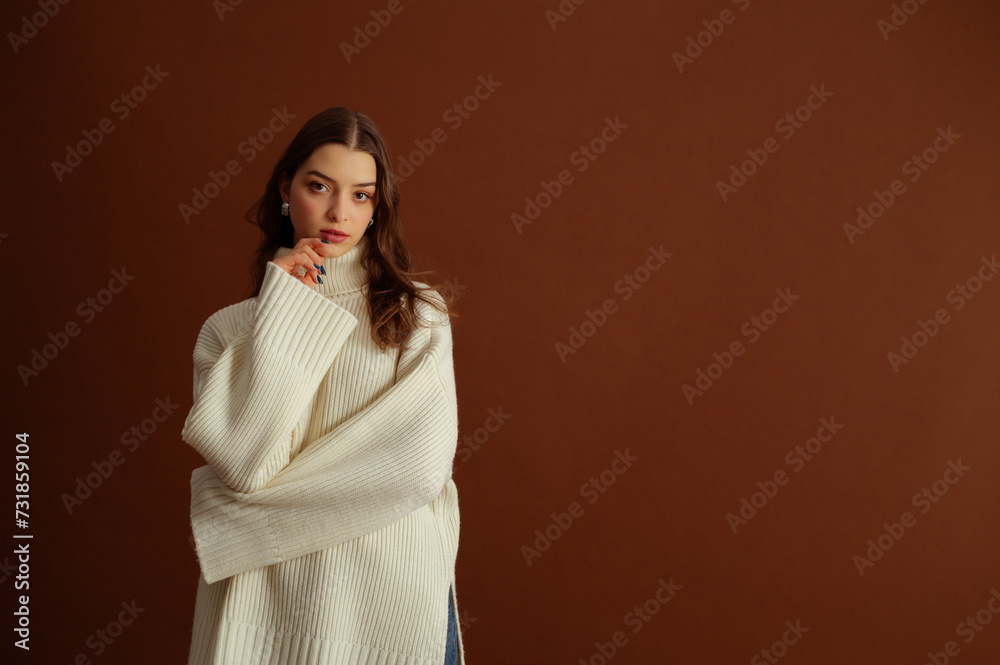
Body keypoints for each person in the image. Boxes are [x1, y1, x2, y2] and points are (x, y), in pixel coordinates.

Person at [181, 107, 465, 665]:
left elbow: (416, 467)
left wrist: (230, 519)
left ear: (378, 205)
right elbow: (246, 464)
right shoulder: (229, 330)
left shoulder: (416, 315)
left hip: (388, 597)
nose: (339, 212)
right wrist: (284, 308)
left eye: (361, 195)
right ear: (286, 188)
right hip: (265, 602)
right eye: (319, 187)